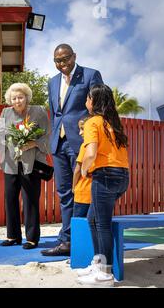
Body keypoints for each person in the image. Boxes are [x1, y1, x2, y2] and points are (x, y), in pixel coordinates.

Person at [42, 44, 104, 256]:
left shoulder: (90, 75)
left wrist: (86, 128)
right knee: (64, 193)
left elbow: (100, 106)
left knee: (85, 192)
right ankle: (66, 241)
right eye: (57, 61)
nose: (62, 64)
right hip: (58, 144)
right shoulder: (52, 82)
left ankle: (85, 240)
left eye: (65, 59)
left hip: (82, 143)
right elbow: (54, 113)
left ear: (74, 56)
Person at [75, 84, 129, 287]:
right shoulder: (113, 123)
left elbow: (90, 152)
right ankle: (99, 263)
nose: (85, 101)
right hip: (122, 176)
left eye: (88, 98)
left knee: (102, 224)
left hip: (104, 175)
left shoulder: (93, 122)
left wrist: (83, 170)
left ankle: (106, 274)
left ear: (94, 101)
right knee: (92, 219)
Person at [0, 83, 50, 250]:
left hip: (31, 163)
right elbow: (0, 137)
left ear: (26, 97)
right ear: (9, 100)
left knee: (30, 200)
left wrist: (32, 143)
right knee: (10, 199)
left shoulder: (38, 112)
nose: (17, 101)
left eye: (20, 97)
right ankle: (13, 236)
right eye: (14, 98)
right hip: (11, 163)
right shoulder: (6, 112)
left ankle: (32, 239)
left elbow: (47, 135)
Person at [72, 117, 92, 218]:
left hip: (83, 193)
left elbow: (77, 170)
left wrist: (73, 187)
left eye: (82, 129)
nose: (80, 133)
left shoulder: (85, 146)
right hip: (96, 194)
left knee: (78, 223)